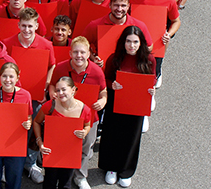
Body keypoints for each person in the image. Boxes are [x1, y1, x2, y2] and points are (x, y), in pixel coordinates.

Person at [99, 26, 155, 187]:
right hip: (116, 102)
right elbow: (105, 80)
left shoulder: (148, 60)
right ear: (123, 43)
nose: (132, 45)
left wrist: (151, 91)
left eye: (135, 42)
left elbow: (149, 81)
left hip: (136, 106)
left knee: (131, 138)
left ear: (141, 43)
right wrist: (112, 85)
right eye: (128, 41)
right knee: (112, 134)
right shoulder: (114, 59)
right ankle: (111, 168)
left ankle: (125, 171)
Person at [48, 37, 107, 189]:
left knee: (86, 146)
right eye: (75, 52)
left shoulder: (97, 71)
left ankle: (80, 176)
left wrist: (102, 101)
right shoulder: (61, 68)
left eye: (82, 52)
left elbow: (104, 92)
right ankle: (60, 173)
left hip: (88, 117)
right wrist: (52, 93)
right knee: (61, 145)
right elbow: (52, 85)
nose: (78, 55)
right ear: (70, 53)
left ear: (88, 54)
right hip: (63, 116)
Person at [32, 76, 96, 189]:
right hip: (52, 151)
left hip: (70, 152)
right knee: (49, 182)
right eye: (57, 90)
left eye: (64, 89)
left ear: (73, 90)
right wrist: (40, 142)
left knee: (66, 183)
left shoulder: (84, 109)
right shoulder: (50, 105)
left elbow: (87, 125)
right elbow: (36, 122)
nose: (60, 93)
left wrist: (84, 132)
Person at [0, 62, 33, 189]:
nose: (7, 80)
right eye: (4, 76)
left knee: (14, 178)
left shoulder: (25, 95)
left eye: (11, 76)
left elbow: (29, 116)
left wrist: (28, 123)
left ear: (17, 78)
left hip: (15, 143)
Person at [130, 0, 181, 87]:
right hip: (134, 41)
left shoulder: (168, 0)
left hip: (157, 43)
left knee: (153, 72)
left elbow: (176, 21)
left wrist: (169, 34)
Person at [81, 0, 152, 66]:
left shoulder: (139, 25)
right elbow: (81, 45)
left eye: (123, 5)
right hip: (104, 69)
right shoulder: (94, 25)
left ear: (128, 6)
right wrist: (93, 58)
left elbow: (149, 46)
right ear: (110, 5)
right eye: (116, 5)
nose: (119, 9)